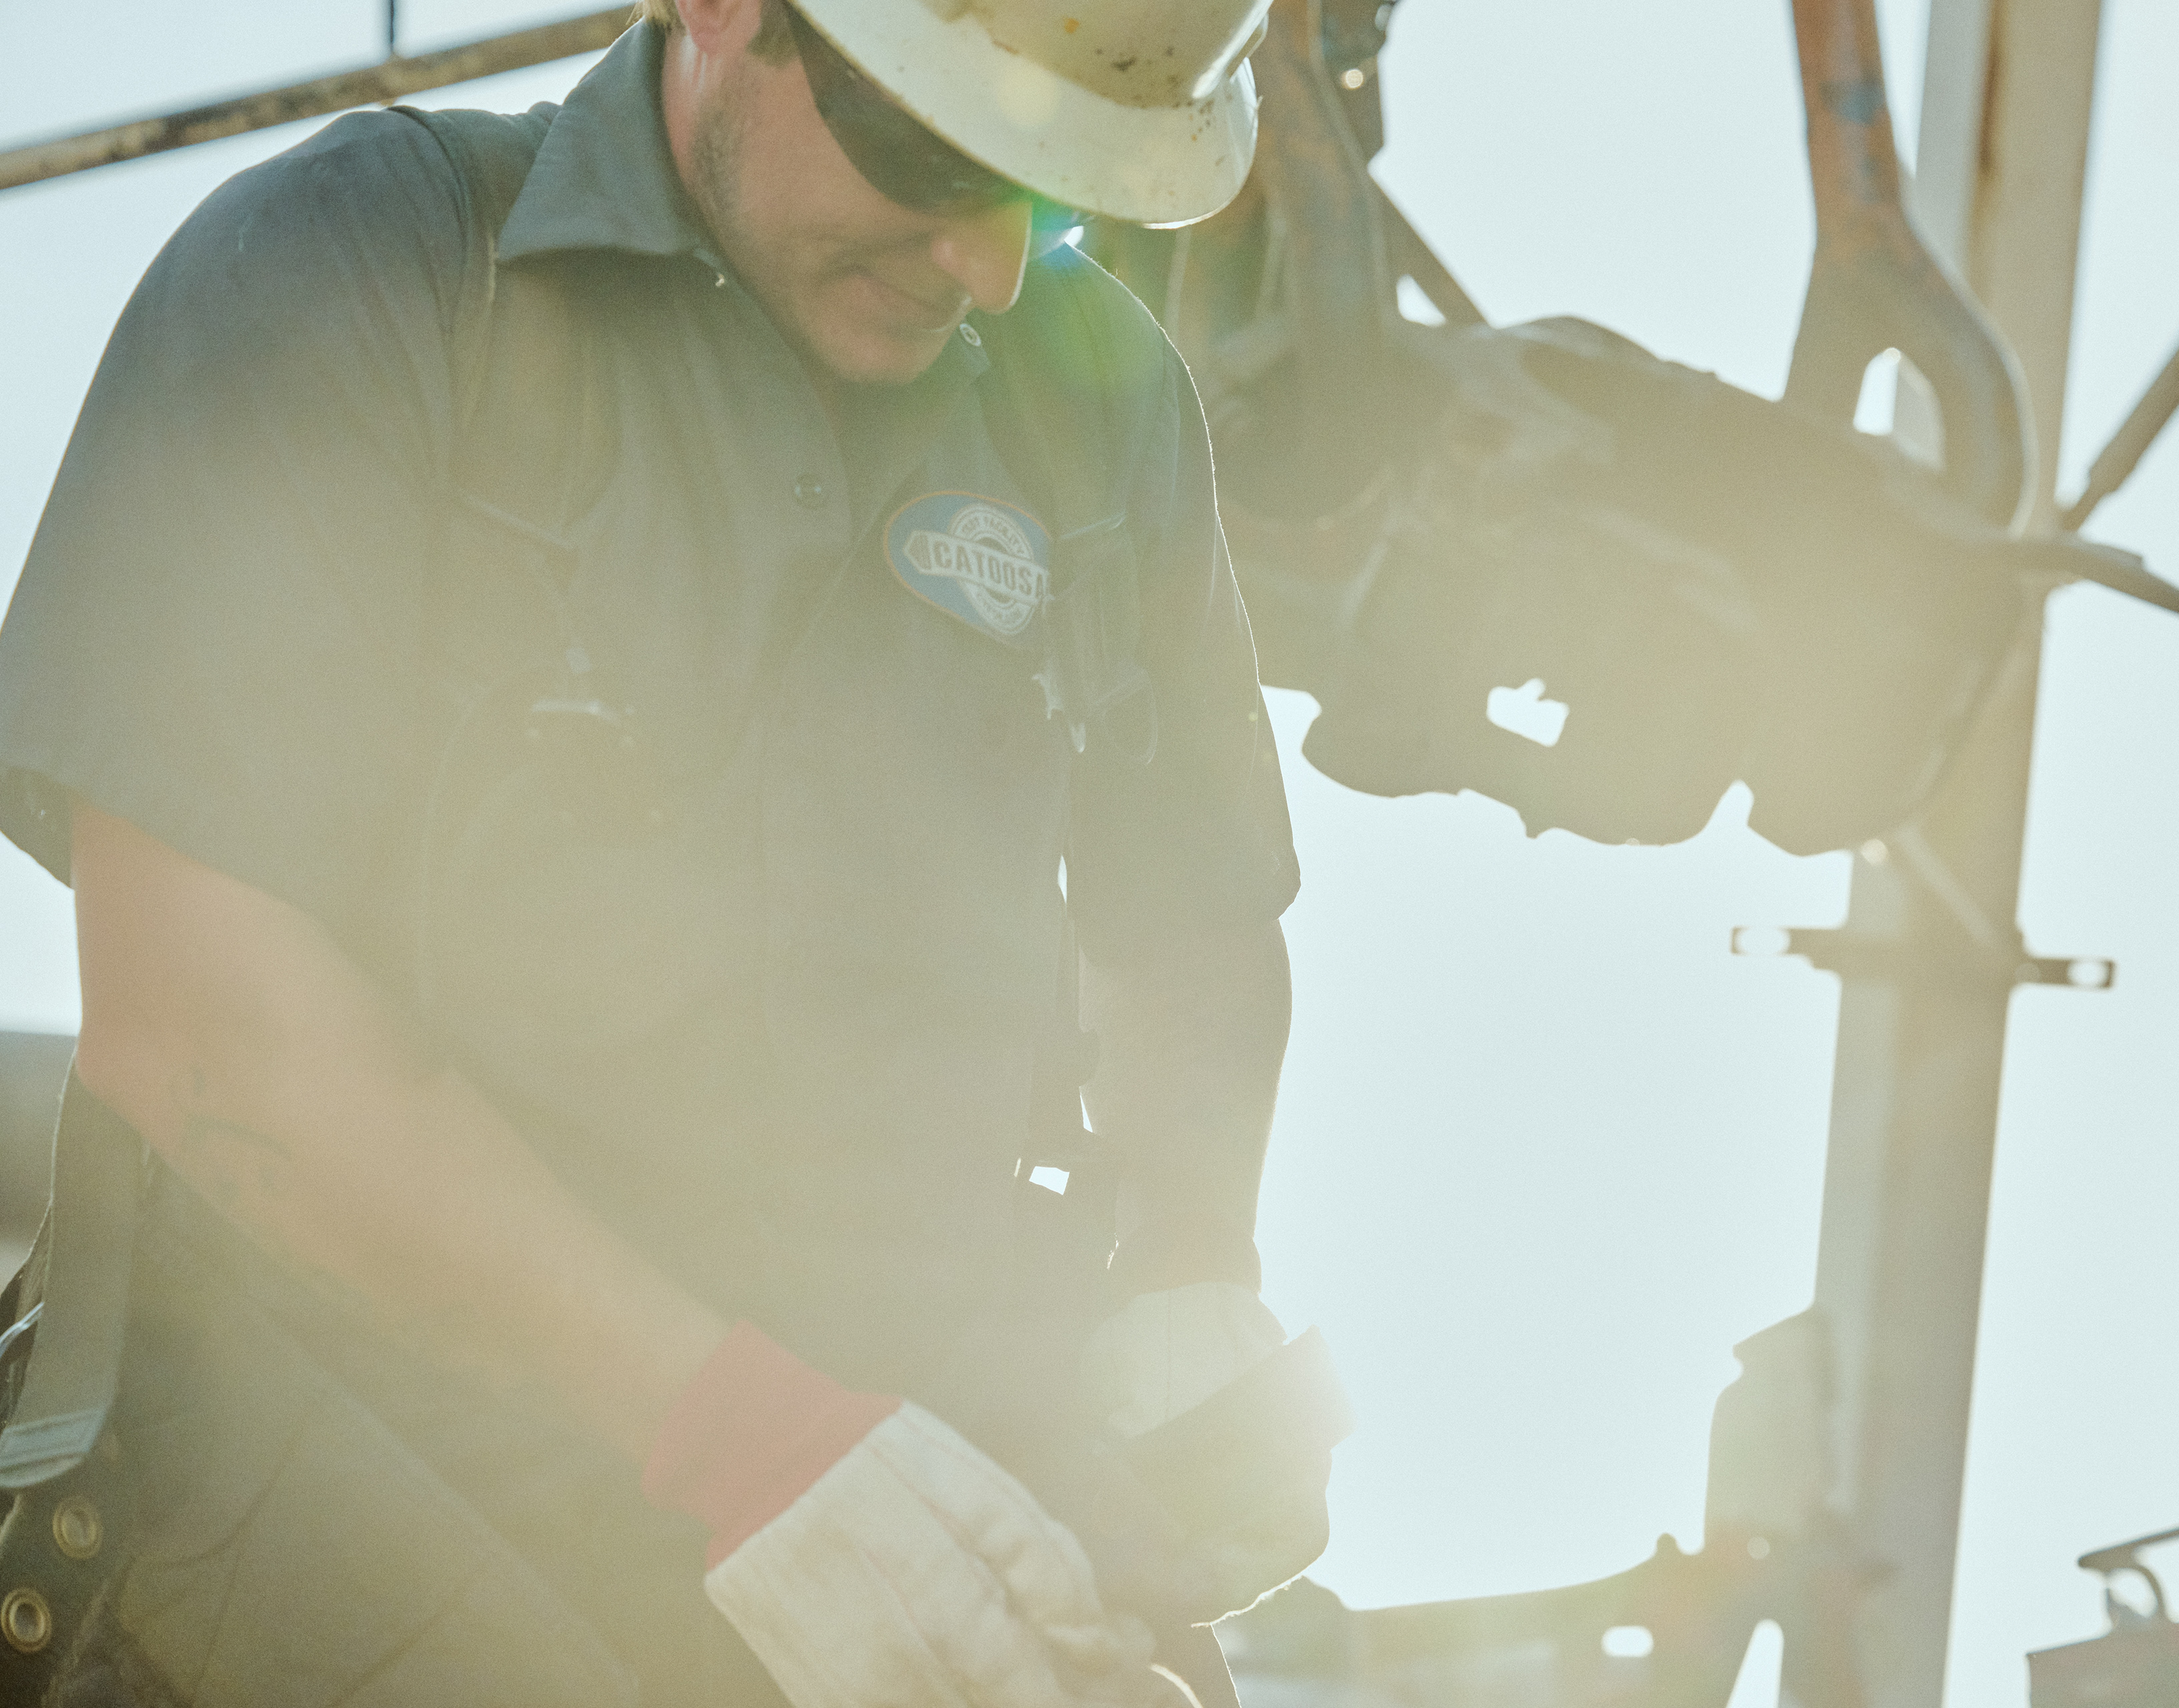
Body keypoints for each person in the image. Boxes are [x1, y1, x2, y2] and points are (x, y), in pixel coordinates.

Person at [0, 0, 1324, 1701]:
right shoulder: (372, 267)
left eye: (1057, 198)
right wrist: (739, 1436)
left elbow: (1192, 924)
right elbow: (202, 1022)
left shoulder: (1100, 401)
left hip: (910, 1491)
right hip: (346, 1539)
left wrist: (1193, 1265)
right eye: (937, 157)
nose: (989, 268)